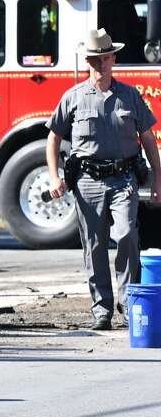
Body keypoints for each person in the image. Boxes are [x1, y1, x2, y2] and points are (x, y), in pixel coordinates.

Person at [45, 28, 161, 330]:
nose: (101, 65)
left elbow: (147, 138)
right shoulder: (73, 97)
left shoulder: (130, 95)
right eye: (95, 60)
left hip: (124, 178)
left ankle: (127, 302)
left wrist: (158, 179)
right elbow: (53, 139)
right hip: (87, 182)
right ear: (87, 62)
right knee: (94, 245)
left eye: (106, 59)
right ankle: (102, 309)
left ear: (113, 59)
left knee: (126, 235)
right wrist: (54, 176)